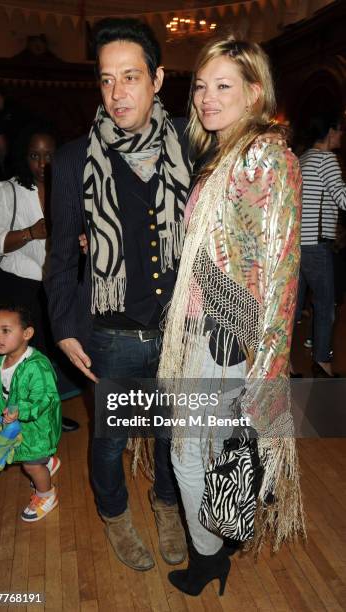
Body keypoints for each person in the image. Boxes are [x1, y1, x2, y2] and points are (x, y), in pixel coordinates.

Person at [158, 37, 305, 596]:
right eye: (200, 85)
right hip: (209, 330)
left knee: (191, 454)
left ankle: (208, 556)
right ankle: (216, 548)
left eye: (223, 86)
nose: (205, 98)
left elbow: (276, 266)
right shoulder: (225, 153)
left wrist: (244, 350)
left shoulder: (263, 156)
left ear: (254, 92)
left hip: (224, 337)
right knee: (207, 451)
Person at [46, 18, 191, 571]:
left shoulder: (188, 140)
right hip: (111, 336)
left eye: (131, 77)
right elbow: (61, 256)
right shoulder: (71, 160)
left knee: (177, 435)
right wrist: (62, 325)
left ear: (157, 79)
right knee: (108, 444)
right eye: (107, 80)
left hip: (179, 327)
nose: (117, 93)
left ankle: (167, 506)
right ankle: (115, 516)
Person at [0, 121, 56, 350]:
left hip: (57, 289)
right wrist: (30, 233)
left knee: (51, 366)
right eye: (35, 155)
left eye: (49, 155)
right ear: (24, 156)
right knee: (19, 366)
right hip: (17, 291)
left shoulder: (68, 189)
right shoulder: (7, 190)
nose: (42, 163)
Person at [0, 304, 61, 521]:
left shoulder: (36, 366)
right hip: (14, 426)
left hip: (38, 427)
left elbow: (45, 397)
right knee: (25, 456)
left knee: (30, 464)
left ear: (27, 333)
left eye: (5, 330)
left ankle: (46, 495)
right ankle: (48, 462)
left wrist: (21, 411)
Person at [294, 114, 345, 377]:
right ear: (331, 131)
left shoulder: (303, 159)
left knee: (293, 306)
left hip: (297, 244)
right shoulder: (327, 160)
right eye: (340, 131)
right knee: (325, 305)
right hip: (316, 244)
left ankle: (286, 363)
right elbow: (343, 199)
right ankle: (322, 361)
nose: (342, 136)